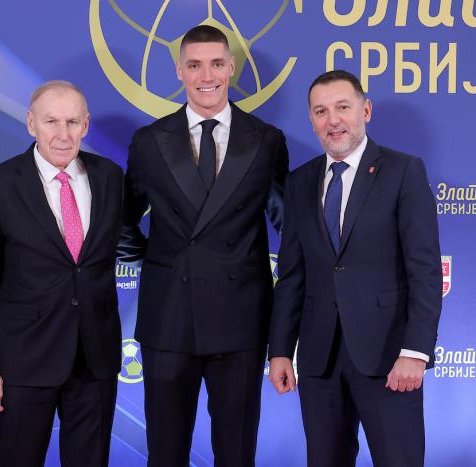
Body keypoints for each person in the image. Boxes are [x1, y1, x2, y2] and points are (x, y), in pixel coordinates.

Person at [118, 25, 289, 466]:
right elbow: (121, 222)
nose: (206, 76)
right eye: (194, 65)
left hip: (241, 320)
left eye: (216, 64)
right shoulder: (149, 142)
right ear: (179, 70)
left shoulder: (267, 140)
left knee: (236, 453)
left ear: (231, 67)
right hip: (168, 318)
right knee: (166, 453)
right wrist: (160, 261)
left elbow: (288, 226)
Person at [268, 69, 442, 467]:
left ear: (365, 111)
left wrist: (415, 352)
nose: (333, 120)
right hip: (319, 361)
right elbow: (291, 275)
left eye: (343, 107)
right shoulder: (299, 183)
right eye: (321, 111)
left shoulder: (403, 172)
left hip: (389, 358)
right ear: (311, 120)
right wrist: (280, 350)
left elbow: (425, 271)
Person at [0, 80, 123, 467]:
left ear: (86, 125)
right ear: (31, 123)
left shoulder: (110, 177)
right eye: (51, 121)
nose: (63, 134)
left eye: (72, 122)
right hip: (23, 361)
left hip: (95, 360)